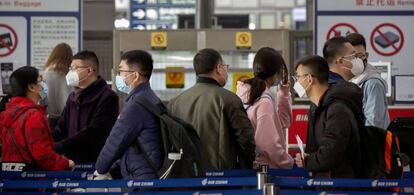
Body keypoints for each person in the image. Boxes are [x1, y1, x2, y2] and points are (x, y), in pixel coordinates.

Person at [168, 48, 255, 169]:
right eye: (225, 66)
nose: (226, 71)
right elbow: (246, 140)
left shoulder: (175, 103)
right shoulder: (229, 99)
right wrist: (248, 166)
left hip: (187, 176)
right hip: (222, 179)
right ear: (219, 68)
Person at [94, 50, 162, 179]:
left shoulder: (136, 105)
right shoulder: (148, 97)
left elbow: (116, 140)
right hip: (147, 172)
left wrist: (100, 169)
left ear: (135, 76)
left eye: (121, 71)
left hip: (141, 178)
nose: (118, 75)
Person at [293, 55, 362, 178]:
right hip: (324, 180)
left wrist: (308, 161)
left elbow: (331, 153)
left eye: (298, 77)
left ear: (309, 79)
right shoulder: (316, 107)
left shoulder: (338, 110)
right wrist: (307, 158)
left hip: (342, 184)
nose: (296, 82)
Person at [1, 66, 74, 171]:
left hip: (10, 178)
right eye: (41, 80)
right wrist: (66, 163)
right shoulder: (33, 115)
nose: (44, 84)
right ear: (31, 87)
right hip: (32, 180)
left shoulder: (6, 113)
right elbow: (42, 154)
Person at [53, 50, 119, 162]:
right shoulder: (73, 97)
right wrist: (46, 141)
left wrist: (62, 146)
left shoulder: (108, 97)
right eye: (70, 68)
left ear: (89, 71)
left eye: (75, 68)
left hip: (96, 162)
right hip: (72, 162)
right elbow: (61, 127)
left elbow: (95, 131)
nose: (70, 72)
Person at [236, 47, 293, 169]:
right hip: (265, 170)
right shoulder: (264, 100)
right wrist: (288, 162)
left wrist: (283, 91)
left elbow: (282, 121)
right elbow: (268, 144)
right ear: (276, 72)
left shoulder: (243, 93)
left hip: (247, 166)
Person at [346, 33, 390, 129]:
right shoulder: (348, 79)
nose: (356, 60)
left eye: (360, 56)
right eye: (352, 57)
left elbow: (373, 125)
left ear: (366, 55)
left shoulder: (373, 83)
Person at [43, 43, 73, 129]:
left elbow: (42, 99)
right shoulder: (72, 76)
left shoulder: (44, 75)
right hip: (69, 120)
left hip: (51, 120)